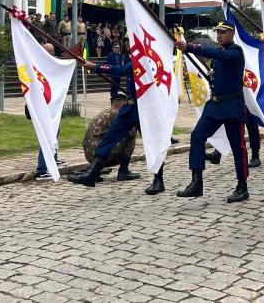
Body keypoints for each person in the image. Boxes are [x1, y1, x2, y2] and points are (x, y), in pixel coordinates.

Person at [176, 21, 250, 203]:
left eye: (223, 33)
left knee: (238, 148)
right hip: (215, 106)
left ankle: (242, 187)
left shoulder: (236, 51)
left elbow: (216, 53)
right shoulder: (220, 54)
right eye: (217, 32)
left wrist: (190, 47)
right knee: (197, 136)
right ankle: (196, 182)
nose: (219, 35)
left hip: (232, 107)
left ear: (232, 34)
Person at [69, 49, 158, 191]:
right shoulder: (138, 55)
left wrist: (95, 67)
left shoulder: (147, 56)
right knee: (109, 138)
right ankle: (92, 173)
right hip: (130, 107)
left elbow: (121, 70)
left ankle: (158, 180)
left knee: (153, 144)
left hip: (144, 109)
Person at [28, 43, 66, 180]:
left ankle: (53, 159)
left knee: (55, 130)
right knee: (46, 136)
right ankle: (42, 169)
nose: (53, 54)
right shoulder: (37, 65)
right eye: (51, 52)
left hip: (50, 105)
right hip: (42, 107)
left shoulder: (47, 65)